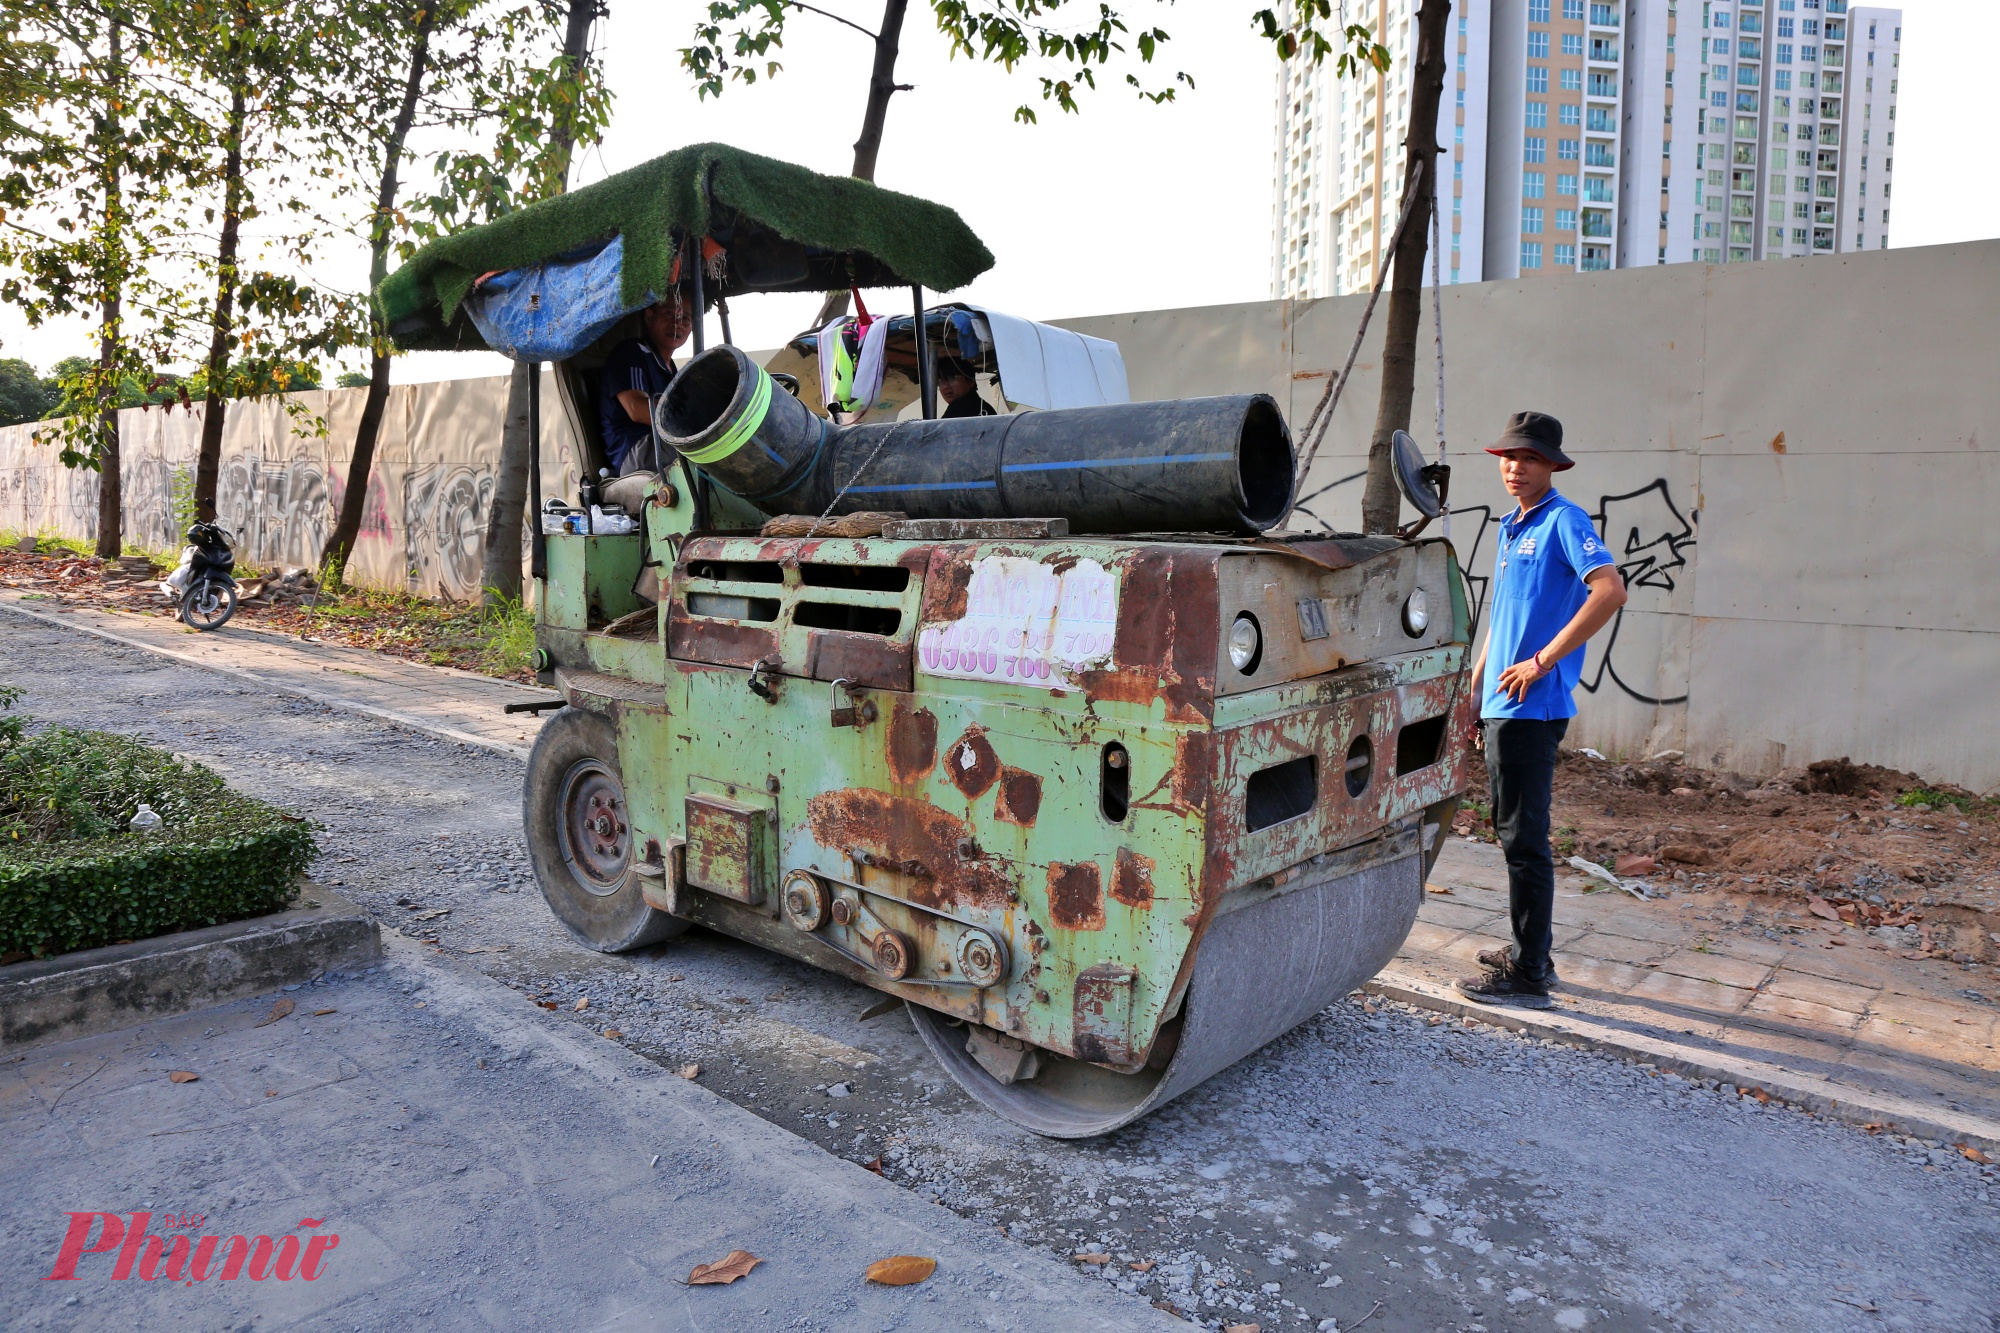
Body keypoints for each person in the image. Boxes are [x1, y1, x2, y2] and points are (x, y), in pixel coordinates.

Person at [1458, 411, 1628, 1010]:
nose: (1516, 467)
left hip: (1532, 708)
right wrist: (1474, 692)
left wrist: (1543, 661)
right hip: (1502, 705)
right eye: (1509, 456)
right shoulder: (1512, 526)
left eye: (1530, 458)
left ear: (1552, 465)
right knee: (1514, 835)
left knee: (1524, 840)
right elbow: (1501, 619)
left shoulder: (1563, 520)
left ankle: (1529, 975)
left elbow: (1610, 589)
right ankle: (1532, 953)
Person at [597, 293, 693, 474]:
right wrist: (692, 422)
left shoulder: (671, 370)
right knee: (705, 448)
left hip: (662, 443)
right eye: (669, 314)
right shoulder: (630, 352)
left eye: (685, 318)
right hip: (636, 450)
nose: (677, 323)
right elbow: (638, 410)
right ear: (649, 317)